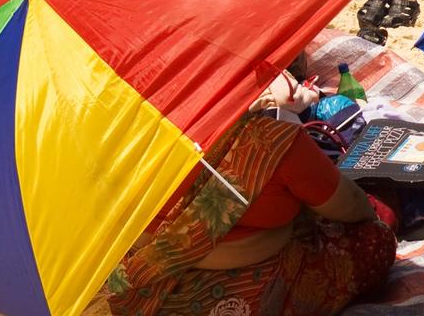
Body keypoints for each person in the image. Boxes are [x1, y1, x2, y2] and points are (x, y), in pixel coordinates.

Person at [107, 111, 395, 316]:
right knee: (375, 238)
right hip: (251, 291)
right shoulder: (269, 140)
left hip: (143, 285)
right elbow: (351, 206)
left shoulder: (115, 141)